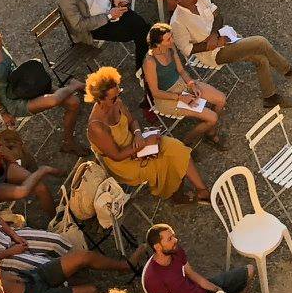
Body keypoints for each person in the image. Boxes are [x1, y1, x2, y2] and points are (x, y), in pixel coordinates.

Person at [166, 0, 292, 105]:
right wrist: (211, 45)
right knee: (260, 42)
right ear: (179, 0)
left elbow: (218, 15)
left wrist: (214, 34)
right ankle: (287, 70)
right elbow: (187, 50)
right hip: (213, 53)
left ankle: (269, 97)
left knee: (261, 58)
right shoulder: (177, 22)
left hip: (224, 36)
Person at [85, 68, 208, 205]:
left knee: (176, 148)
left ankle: (203, 191)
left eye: (119, 92)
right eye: (113, 98)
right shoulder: (97, 126)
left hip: (138, 143)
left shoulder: (117, 102)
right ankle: (177, 196)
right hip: (124, 163)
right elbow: (117, 156)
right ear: (99, 100)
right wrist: (144, 144)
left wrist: (138, 135)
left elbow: (133, 121)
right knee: (164, 162)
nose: (118, 98)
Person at [0, 19, 86, 156]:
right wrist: (3, 113)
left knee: (74, 103)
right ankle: (74, 85)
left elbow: (13, 66)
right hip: (11, 101)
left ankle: (68, 143)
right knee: (54, 100)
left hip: (25, 85)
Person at [140, 222, 258, 293]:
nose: (176, 240)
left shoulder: (175, 250)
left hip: (201, 292)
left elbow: (192, 275)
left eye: (173, 236)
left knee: (249, 270)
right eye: (170, 239)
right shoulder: (153, 279)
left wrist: (217, 290)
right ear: (157, 247)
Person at [142, 24, 226, 147]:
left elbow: (181, 71)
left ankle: (209, 130)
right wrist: (181, 97)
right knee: (213, 118)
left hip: (182, 84)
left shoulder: (171, 48)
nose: (172, 40)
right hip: (167, 97)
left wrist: (192, 85)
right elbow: (155, 92)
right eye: (168, 39)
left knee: (221, 99)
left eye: (171, 37)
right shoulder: (150, 62)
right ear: (158, 44)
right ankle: (186, 142)